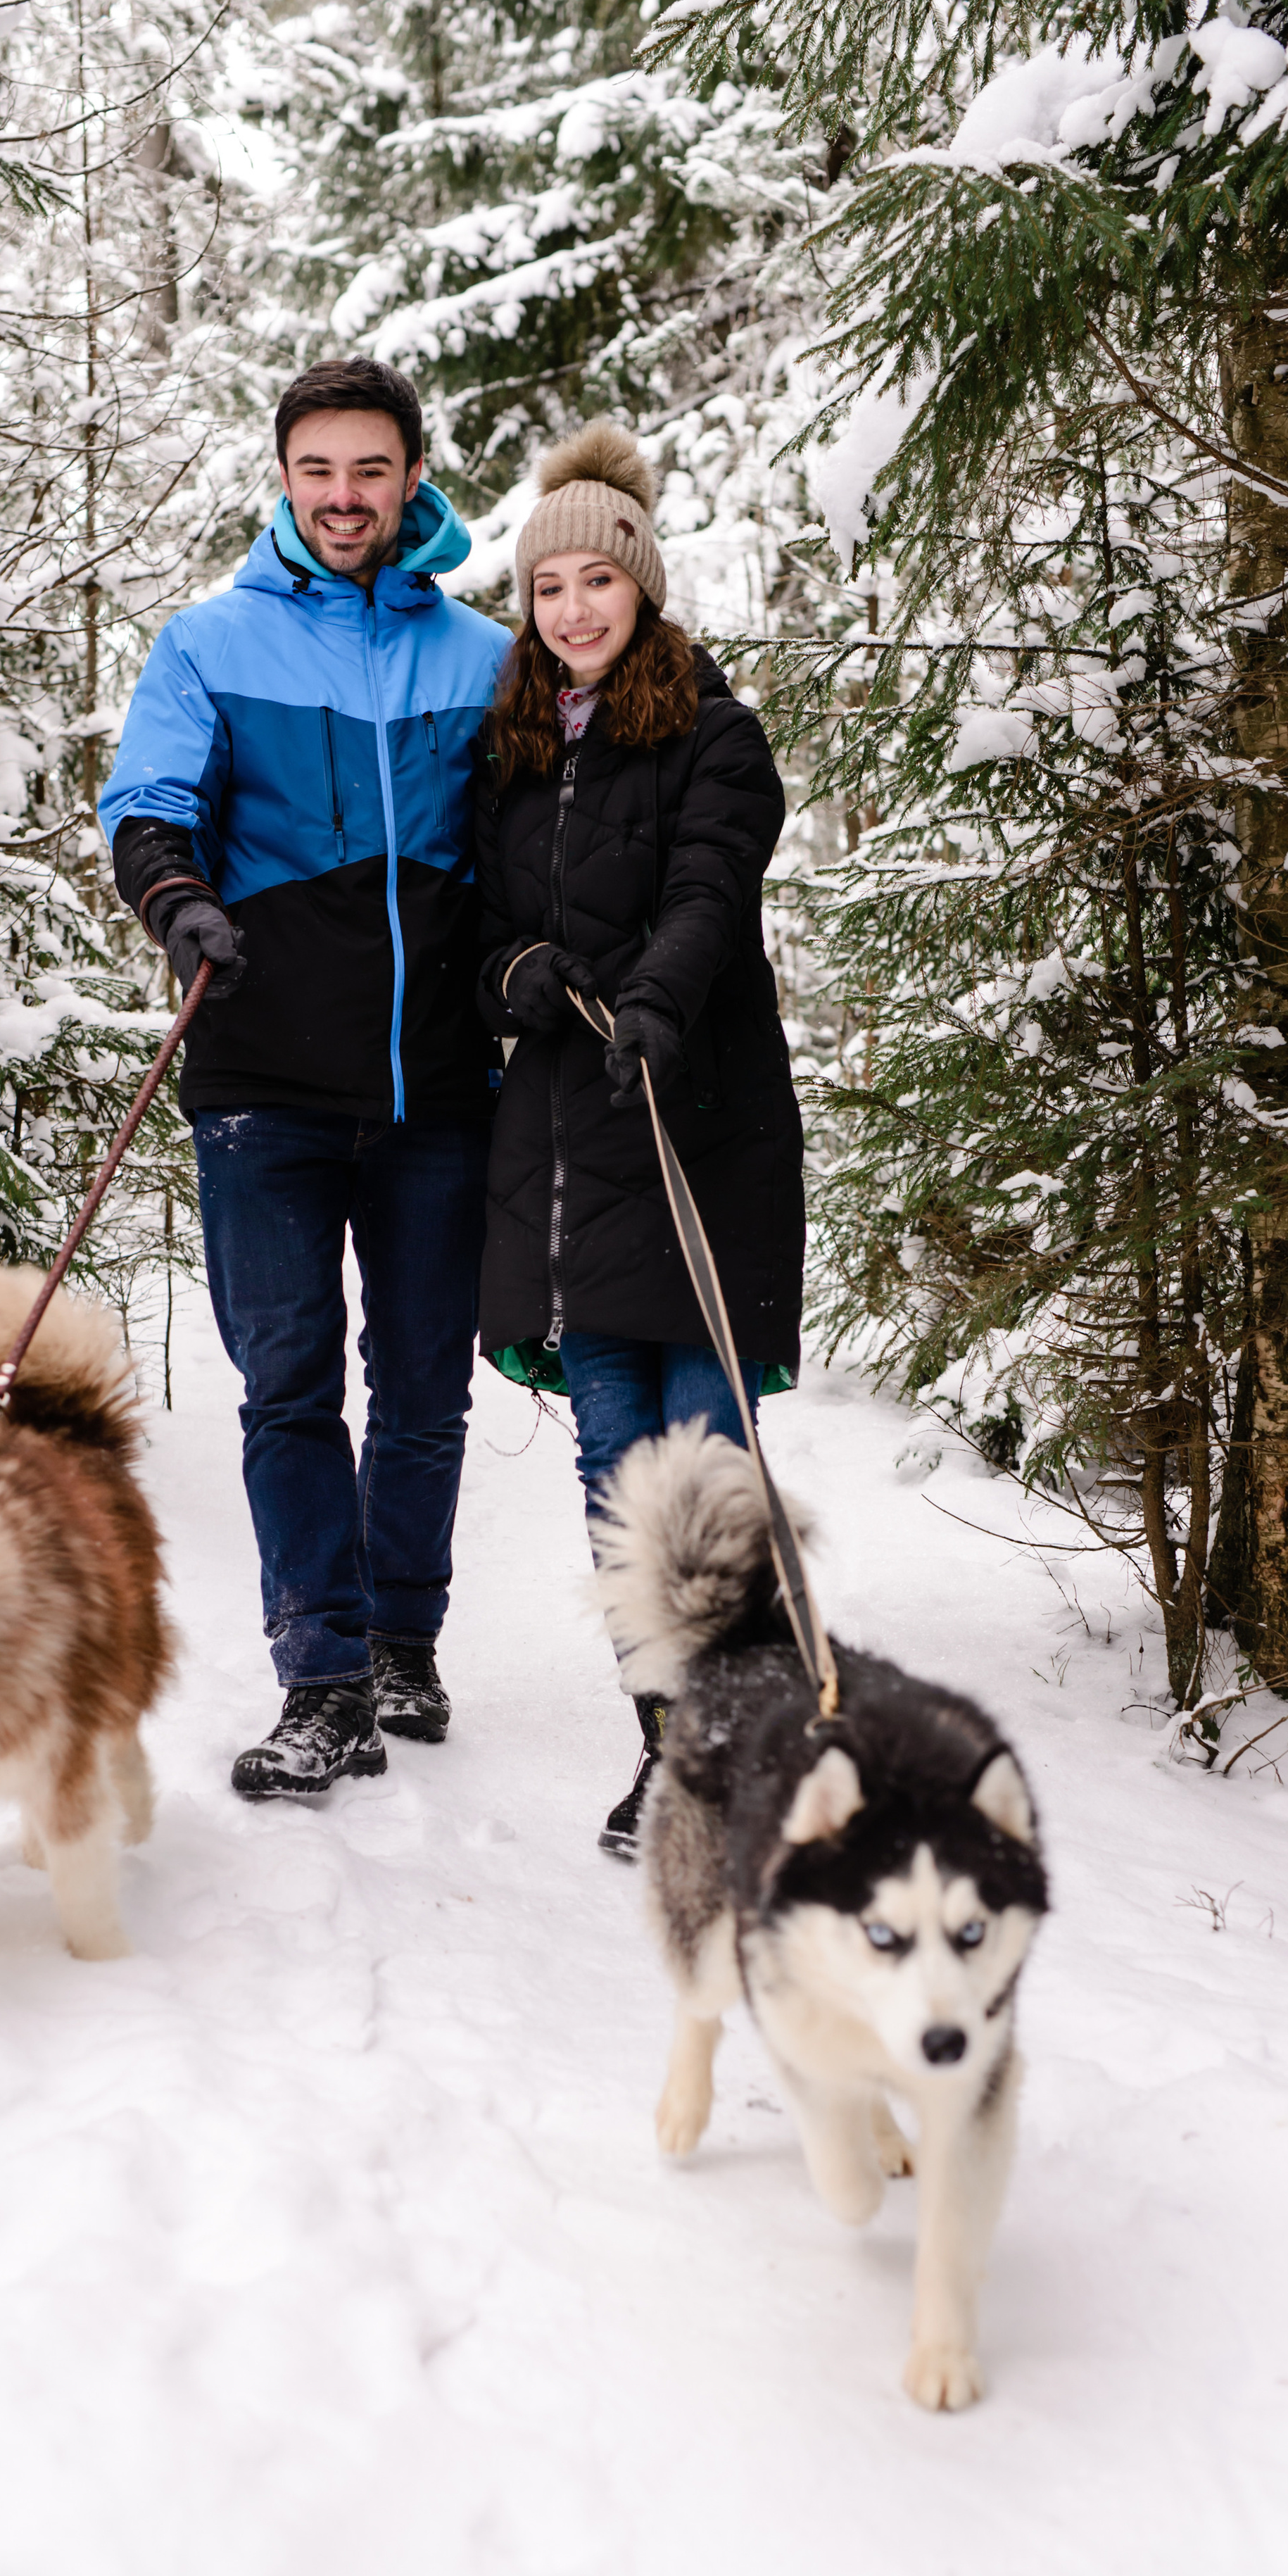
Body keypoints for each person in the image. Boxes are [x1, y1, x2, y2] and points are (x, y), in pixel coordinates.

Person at [99, 358, 510, 1797]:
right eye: (319, 470)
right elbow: (147, 801)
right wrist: (177, 899)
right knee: (288, 1387)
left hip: (437, 1086)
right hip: (261, 1079)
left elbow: (539, 835)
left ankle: (402, 1644)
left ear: (412, 479)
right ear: (284, 479)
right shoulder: (209, 644)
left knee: (424, 1388)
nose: (345, 496)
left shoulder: (483, 658)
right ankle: (320, 1678)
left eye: (370, 470)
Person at [474, 421, 803, 1858]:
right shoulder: (509, 750)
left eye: (597, 581)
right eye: (548, 589)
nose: (573, 609)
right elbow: (473, 926)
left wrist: (657, 1002)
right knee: (618, 1477)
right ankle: (670, 1750)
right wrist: (518, 973)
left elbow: (710, 886)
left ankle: (744, 1745)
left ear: (642, 585)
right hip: (569, 1158)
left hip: (699, 1132)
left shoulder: (717, 736)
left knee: (704, 1462)